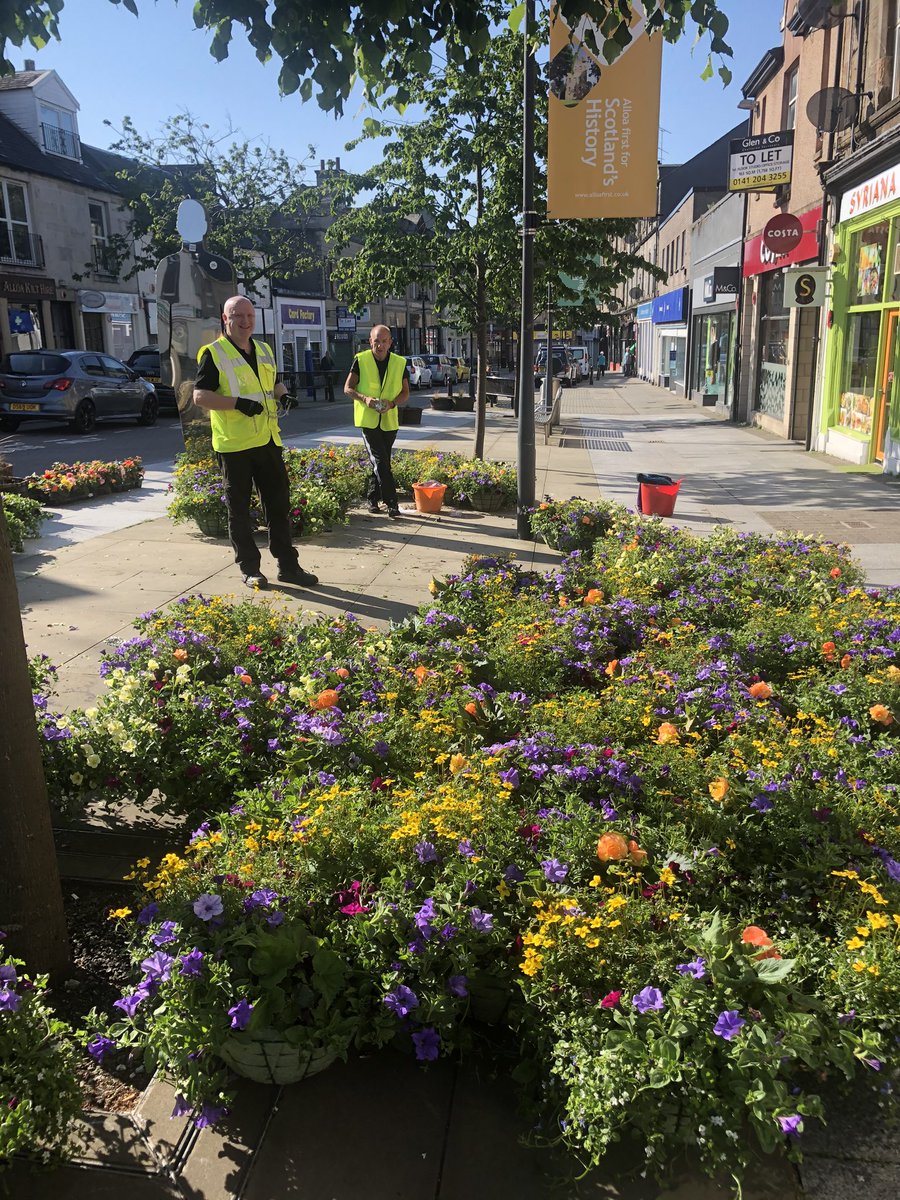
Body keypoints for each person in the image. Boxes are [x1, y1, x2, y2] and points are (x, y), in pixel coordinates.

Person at [193, 294, 318, 591]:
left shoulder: (262, 349)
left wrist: (283, 394)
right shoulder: (214, 353)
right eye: (238, 316)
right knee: (239, 511)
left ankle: (288, 566)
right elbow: (200, 396)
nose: (245, 322)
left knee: (278, 506)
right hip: (234, 446)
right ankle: (250, 569)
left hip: (267, 440)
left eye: (249, 316)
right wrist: (237, 403)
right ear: (226, 319)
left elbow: (271, 382)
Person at [344, 325, 409, 519]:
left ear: (390, 342)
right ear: (370, 341)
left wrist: (392, 403)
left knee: (381, 461)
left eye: (384, 341)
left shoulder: (399, 362)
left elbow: (405, 393)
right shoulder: (361, 360)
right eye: (376, 341)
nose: (380, 345)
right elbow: (347, 388)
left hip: (389, 420)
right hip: (368, 420)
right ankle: (392, 502)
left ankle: (372, 499)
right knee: (380, 460)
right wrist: (365, 399)